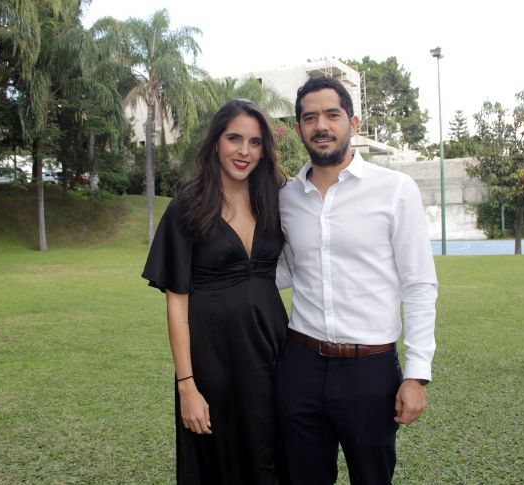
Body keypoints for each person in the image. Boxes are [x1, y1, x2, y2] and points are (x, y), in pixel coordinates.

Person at [275, 76, 439, 485]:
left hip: (370, 371)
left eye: (332, 114)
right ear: (298, 130)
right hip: (300, 367)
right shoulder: (286, 198)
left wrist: (416, 375)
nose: (321, 125)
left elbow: (419, 285)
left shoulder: (395, 190)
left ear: (353, 121)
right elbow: (285, 270)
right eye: (310, 118)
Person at [142, 99, 290, 484]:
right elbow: (177, 304)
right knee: (217, 460)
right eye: (234, 138)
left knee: (271, 453)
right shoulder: (187, 208)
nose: (244, 151)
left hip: (272, 352)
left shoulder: (275, 200)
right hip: (211, 362)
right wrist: (186, 385)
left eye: (255, 142)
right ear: (216, 142)